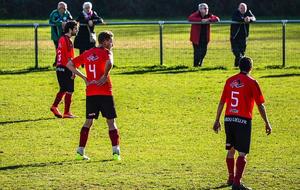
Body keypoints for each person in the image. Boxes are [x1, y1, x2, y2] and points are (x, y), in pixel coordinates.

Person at [213, 57, 272, 190]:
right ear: (250, 68)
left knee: (231, 150)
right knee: (242, 153)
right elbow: (260, 105)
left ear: (239, 66)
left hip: (228, 119)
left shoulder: (229, 81)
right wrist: (267, 122)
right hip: (243, 120)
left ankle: (230, 178)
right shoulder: (252, 82)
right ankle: (237, 183)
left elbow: (222, 102)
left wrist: (217, 120)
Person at [66, 31, 121, 161]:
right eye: (111, 41)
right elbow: (110, 63)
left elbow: (70, 64)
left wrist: (84, 78)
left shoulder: (87, 53)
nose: (112, 43)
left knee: (88, 122)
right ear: (105, 41)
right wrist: (105, 75)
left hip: (91, 92)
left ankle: (80, 151)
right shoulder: (107, 52)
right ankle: (116, 152)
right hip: (105, 92)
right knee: (111, 122)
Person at [50, 21, 78, 119]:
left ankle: (55, 107)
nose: (76, 30)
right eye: (75, 28)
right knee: (69, 90)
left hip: (60, 67)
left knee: (64, 89)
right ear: (70, 29)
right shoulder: (67, 40)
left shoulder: (62, 39)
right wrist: (73, 70)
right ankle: (66, 112)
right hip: (66, 67)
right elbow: (69, 58)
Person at [188, 3, 219, 67]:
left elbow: (217, 19)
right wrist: (201, 20)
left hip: (205, 38)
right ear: (200, 9)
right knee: (197, 52)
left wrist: (208, 20)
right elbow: (190, 18)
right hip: (196, 38)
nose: (206, 9)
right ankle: (195, 66)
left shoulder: (209, 15)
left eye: (207, 8)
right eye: (204, 8)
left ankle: (200, 63)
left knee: (204, 52)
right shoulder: (196, 14)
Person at [49, 1, 73, 66]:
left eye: (64, 7)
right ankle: (57, 61)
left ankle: (58, 61)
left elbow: (71, 20)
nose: (62, 9)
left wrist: (67, 22)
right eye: (61, 7)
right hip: (56, 35)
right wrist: (62, 23)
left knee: (64, 48)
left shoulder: (67, 13)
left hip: (65, 35)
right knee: (58, 48)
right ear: (58, 7)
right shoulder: (54, 13)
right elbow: (54, 20)